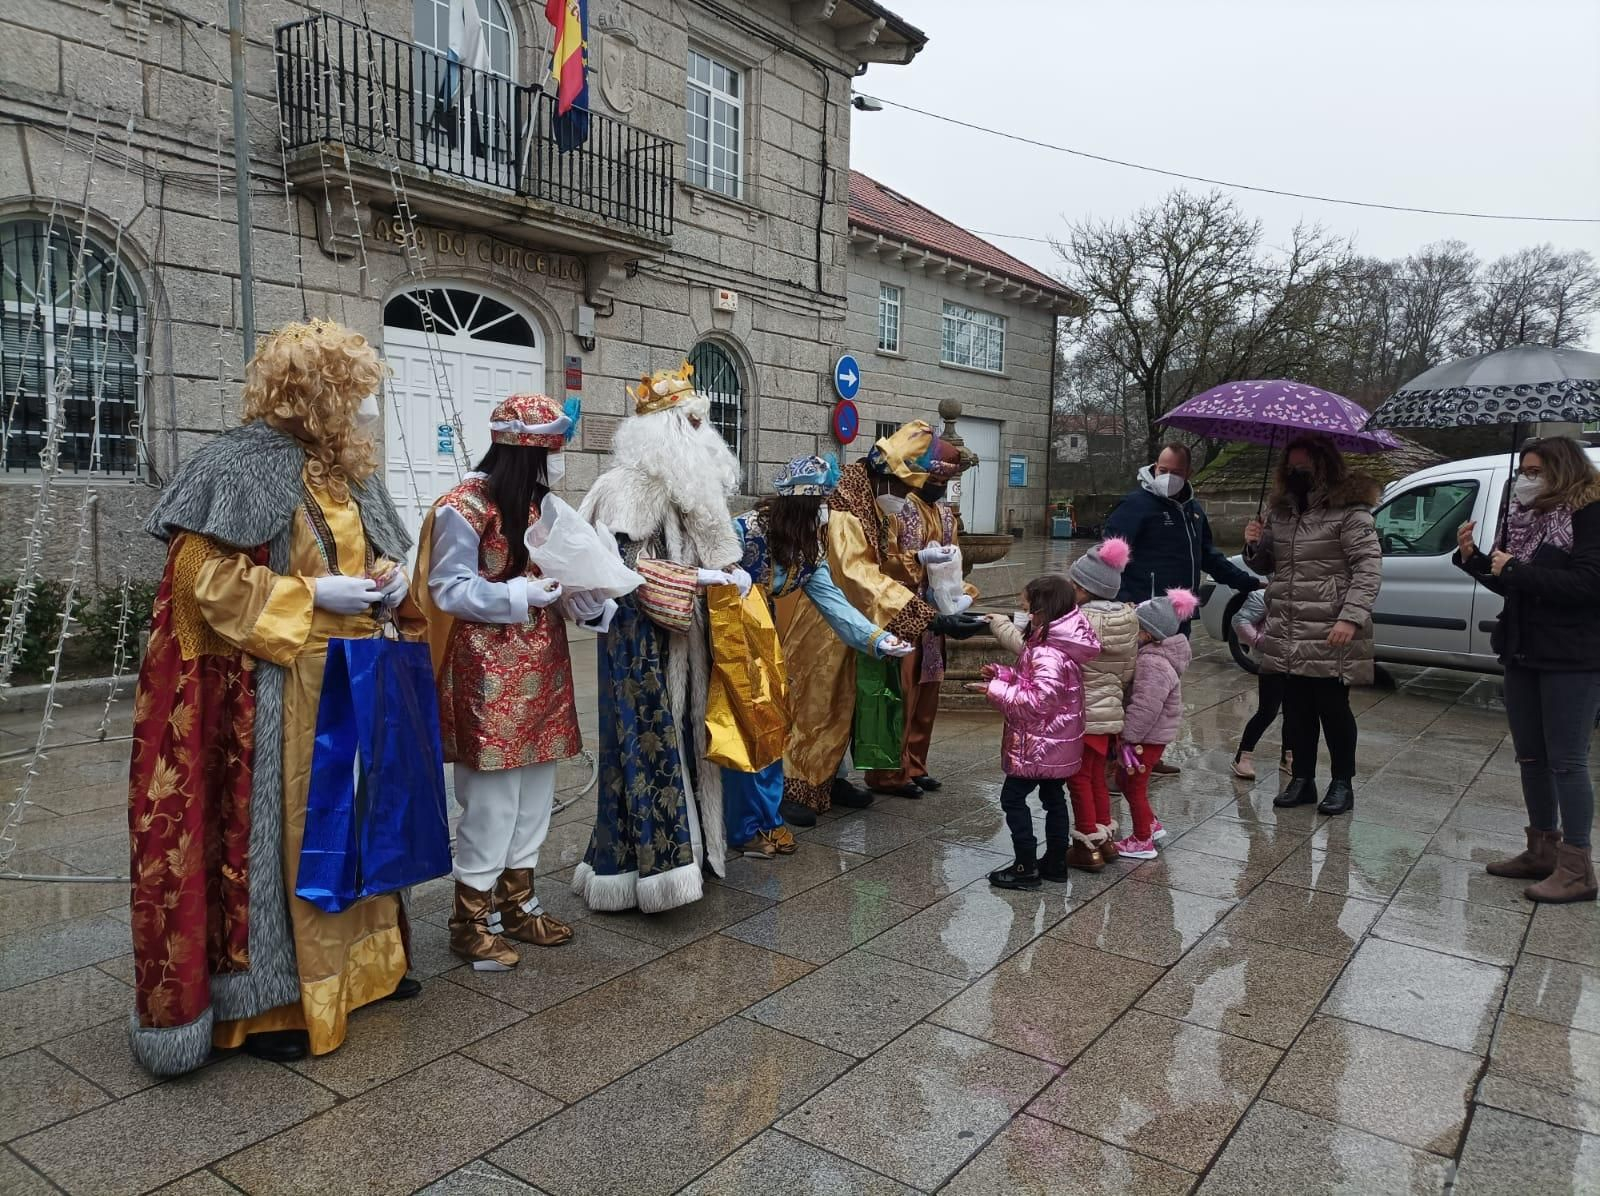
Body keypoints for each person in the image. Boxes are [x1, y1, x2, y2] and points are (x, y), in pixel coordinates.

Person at [127, 319, 420, 1075]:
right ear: (311, 394)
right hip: (282, 685)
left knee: (359, 819)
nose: (359, 410)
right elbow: (203, 582)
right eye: (347, 394)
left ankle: (368, 968)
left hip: (359, 672)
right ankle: (279, 1001)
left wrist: (387, 584)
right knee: (291, 832)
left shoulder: (348, 471)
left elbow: (379, 550)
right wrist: (312, 593)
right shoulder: (236, 465)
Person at [414, 393, 602, 970]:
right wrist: (516, 594)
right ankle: (469, 921)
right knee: (491, 800)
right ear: (525, 454)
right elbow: (446, 588)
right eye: (549, 455)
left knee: (537, 793)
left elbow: (561, 573)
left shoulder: (542, 506)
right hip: (486, 673)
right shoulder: (463, 507)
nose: (556, 468)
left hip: (543, 666)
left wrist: (587, 598)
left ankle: (518, 902)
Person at [572, 363, 751, 913]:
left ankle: (692, 853)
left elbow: (714, 543)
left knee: (691, 739)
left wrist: (723, 571)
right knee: (649, 745)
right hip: (639, 640)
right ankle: (646, 869)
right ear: (668, 431)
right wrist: (703, 578)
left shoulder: (683, 485)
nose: (706, 436)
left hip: (684, 634)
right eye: (694, 424)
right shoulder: (630, 485)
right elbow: (623, 566)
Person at [778, 420, 987, 823]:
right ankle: (795, 787)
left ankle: (826, 778)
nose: (909, 498)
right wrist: (928, 619)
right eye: (908, 489)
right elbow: (857, 576)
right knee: (816, 704)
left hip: (852, 620)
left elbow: (875, 565)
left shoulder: (869, 497)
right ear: (890, 478)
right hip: (827, 623)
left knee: (844, 706)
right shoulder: (846, 508)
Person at [723, 455, 915, 858]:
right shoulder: (742, 533)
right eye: (819, 507)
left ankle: (764, 819)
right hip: (723, 640)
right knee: (737, 733)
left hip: (762, 640)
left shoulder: (808, 550)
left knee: (770, 728)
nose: (826, 516)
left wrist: (880, 640)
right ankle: (741, 826)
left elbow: (836, 605)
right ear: (797, 508)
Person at [1455, 436, 1600, 903]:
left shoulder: (1590, 514)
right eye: (1524, 470)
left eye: (1535, 471)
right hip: (1524, 651)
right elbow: (1514, 587)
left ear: (1562, 471)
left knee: (1567, 761)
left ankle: (1578, 868)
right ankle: (1542, 850)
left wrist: (1514, 569)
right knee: (1531, 757)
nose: (1525, 479)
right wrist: (1474, 560)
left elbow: (1586, 584)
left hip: (1572, 657)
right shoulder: (1526, 520)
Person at [1104, 443, 1262, 776]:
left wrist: (1248, 582)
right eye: (1163, 470)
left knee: (1165, 691)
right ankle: (1115, 764)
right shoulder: (1136, 505)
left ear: (1188, 472)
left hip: (1178, 619)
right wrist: (1119, 601)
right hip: (1143, 617)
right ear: (1153, 467)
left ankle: (1150, 753)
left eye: (1176, 472)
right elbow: (1108, 555)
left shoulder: (1193, 510)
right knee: (1135, 692)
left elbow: (1210, 557)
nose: (1168, 477)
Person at [1245, 434, 1381, 818]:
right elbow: (1267, 565)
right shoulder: (1281, 511)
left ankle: (1342, 782)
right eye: (1291, 465)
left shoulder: (1350, 511)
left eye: (1304, 465)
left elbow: (1368, 569)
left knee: (1333, 708)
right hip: (1288, 624)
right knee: (1297, 709)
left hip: (1329, 625)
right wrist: (1254, 545)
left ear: (1324, 465)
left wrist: (1350, 618)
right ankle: (1302, 779)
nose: (1296, 471)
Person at [976, 575, 1100, 888]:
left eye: (1027, 608)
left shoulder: (1048, 650)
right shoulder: (1057, 642)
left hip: (1038, 745)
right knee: (1053, 796)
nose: (1024, 613)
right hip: (1058, 743)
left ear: (1042, 610)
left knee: (1012, 799)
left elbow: (1037, 702)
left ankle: (1025, 866)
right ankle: (1056, 861)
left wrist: (995, 690)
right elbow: (1039, 684)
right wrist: (1004, 675)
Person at [864, 470, 974, 797]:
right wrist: (918, 558)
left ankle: (914, 765)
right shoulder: (897, 507)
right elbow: (881, 560)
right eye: (935, 478)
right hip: (902, 612)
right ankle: (888, 773)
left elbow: (954, 560)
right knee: (901, 693)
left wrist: (960, 594)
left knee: (927, 694)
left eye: (946, 481)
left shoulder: (944, 513)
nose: (939, 487)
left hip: (936, 612)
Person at [1059, 536, 1139, 869]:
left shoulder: (1078, 622)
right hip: (1109, 712)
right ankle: (1106, 840)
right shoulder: (1129, 619)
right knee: (1095, 776)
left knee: (1078, 778)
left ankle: (1086, 843)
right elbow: (1127, 671)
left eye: (1074, 586)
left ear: (1084, 589)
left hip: (1083, 713)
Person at [1114, 589, 1200, 859]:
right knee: (1125, 780)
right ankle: (1150, 824)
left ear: (1148, 634)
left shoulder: (1153, 662)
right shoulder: (1156, 656)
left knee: (1134, 785)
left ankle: (1142, 841)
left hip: (1145, 738)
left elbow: (1146, 706)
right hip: (1147, 736)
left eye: (1135, 628)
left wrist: (1128, 735)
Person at [1229, 588, 1290, 780]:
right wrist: (1261, 642)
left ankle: (1289, 756)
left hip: (1301, 660)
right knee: (1268, 711)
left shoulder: (1308, 593)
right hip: (1271, 661)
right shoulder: (1264, 595)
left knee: (1295, 711)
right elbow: (1240, 620)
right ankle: (1243, 756)